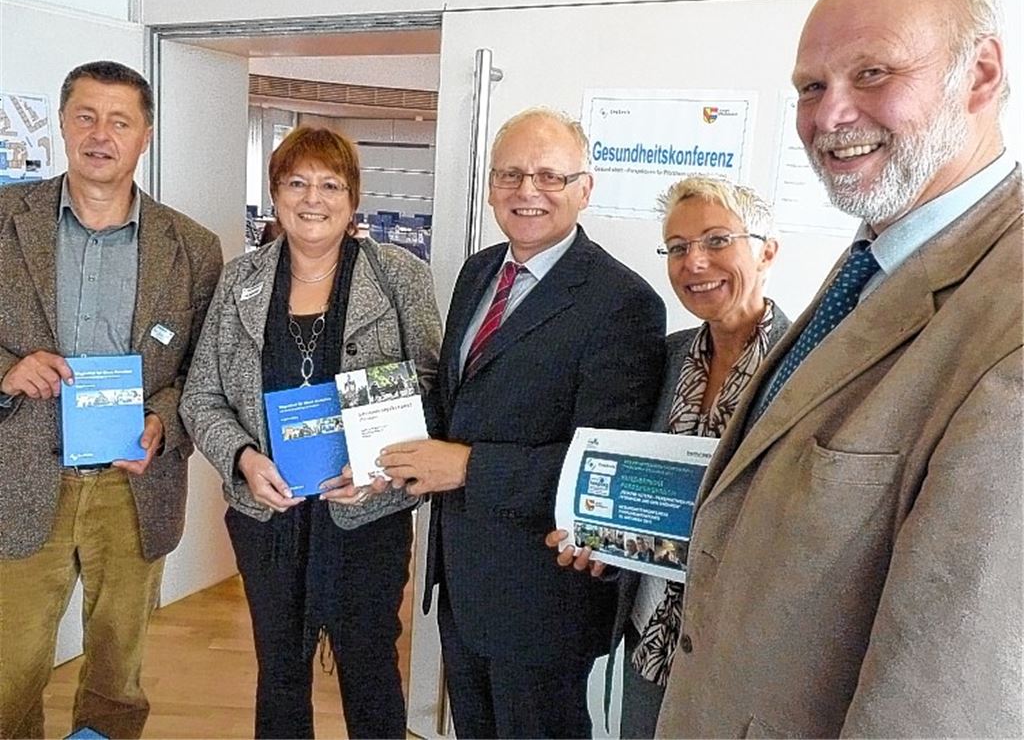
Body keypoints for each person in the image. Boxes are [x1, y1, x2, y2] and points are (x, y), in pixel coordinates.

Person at [656, 0, 1022, 738]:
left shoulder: (1008, 321)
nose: (829, 117)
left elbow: (943, 704)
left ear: (981, 74)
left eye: (874, 74)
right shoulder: (879, 258)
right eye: (811, 87)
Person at [375, 107, 667, 738]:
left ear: (584, 188)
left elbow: (603, 470)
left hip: (543, 599)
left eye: (548, 176)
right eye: (510, 174)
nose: (527, 191)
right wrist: (379, 447)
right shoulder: (480, 271)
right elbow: (457, 403)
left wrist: (468, 466)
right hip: (462, 579)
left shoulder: (623, 303)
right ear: (490, 187)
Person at [179, 126, 441, 739]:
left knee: (370, 667)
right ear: (275, 195)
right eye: (297, 182)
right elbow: (202, 396)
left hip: (368, 512)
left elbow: (432, 388)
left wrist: (379, 465)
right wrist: (242, 458)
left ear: (353, 199)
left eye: (331, 184)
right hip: (268, 516)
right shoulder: (240, 279)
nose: (313, 198)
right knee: (279, 670)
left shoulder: (398, 275)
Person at [0, 61, 223, 739]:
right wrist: (6, 370)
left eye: (120, 121)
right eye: (87, 116)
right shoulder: (6, 219)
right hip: (21, 478)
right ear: (64, 124)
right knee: (11, 671)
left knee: (117, 675)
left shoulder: (193, 247)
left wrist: (163, 420)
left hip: (134, 486)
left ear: (145, 135)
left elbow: (205, 373)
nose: (102, 134)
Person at [549, 175, 791, 737]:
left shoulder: (807, 365)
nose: (695, 263)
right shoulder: (667, 356)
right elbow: (636, 486)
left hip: (741, 652)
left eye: (715, 241)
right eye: (678, 248)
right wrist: (605, 542)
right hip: (650, 638)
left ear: (767, 250)